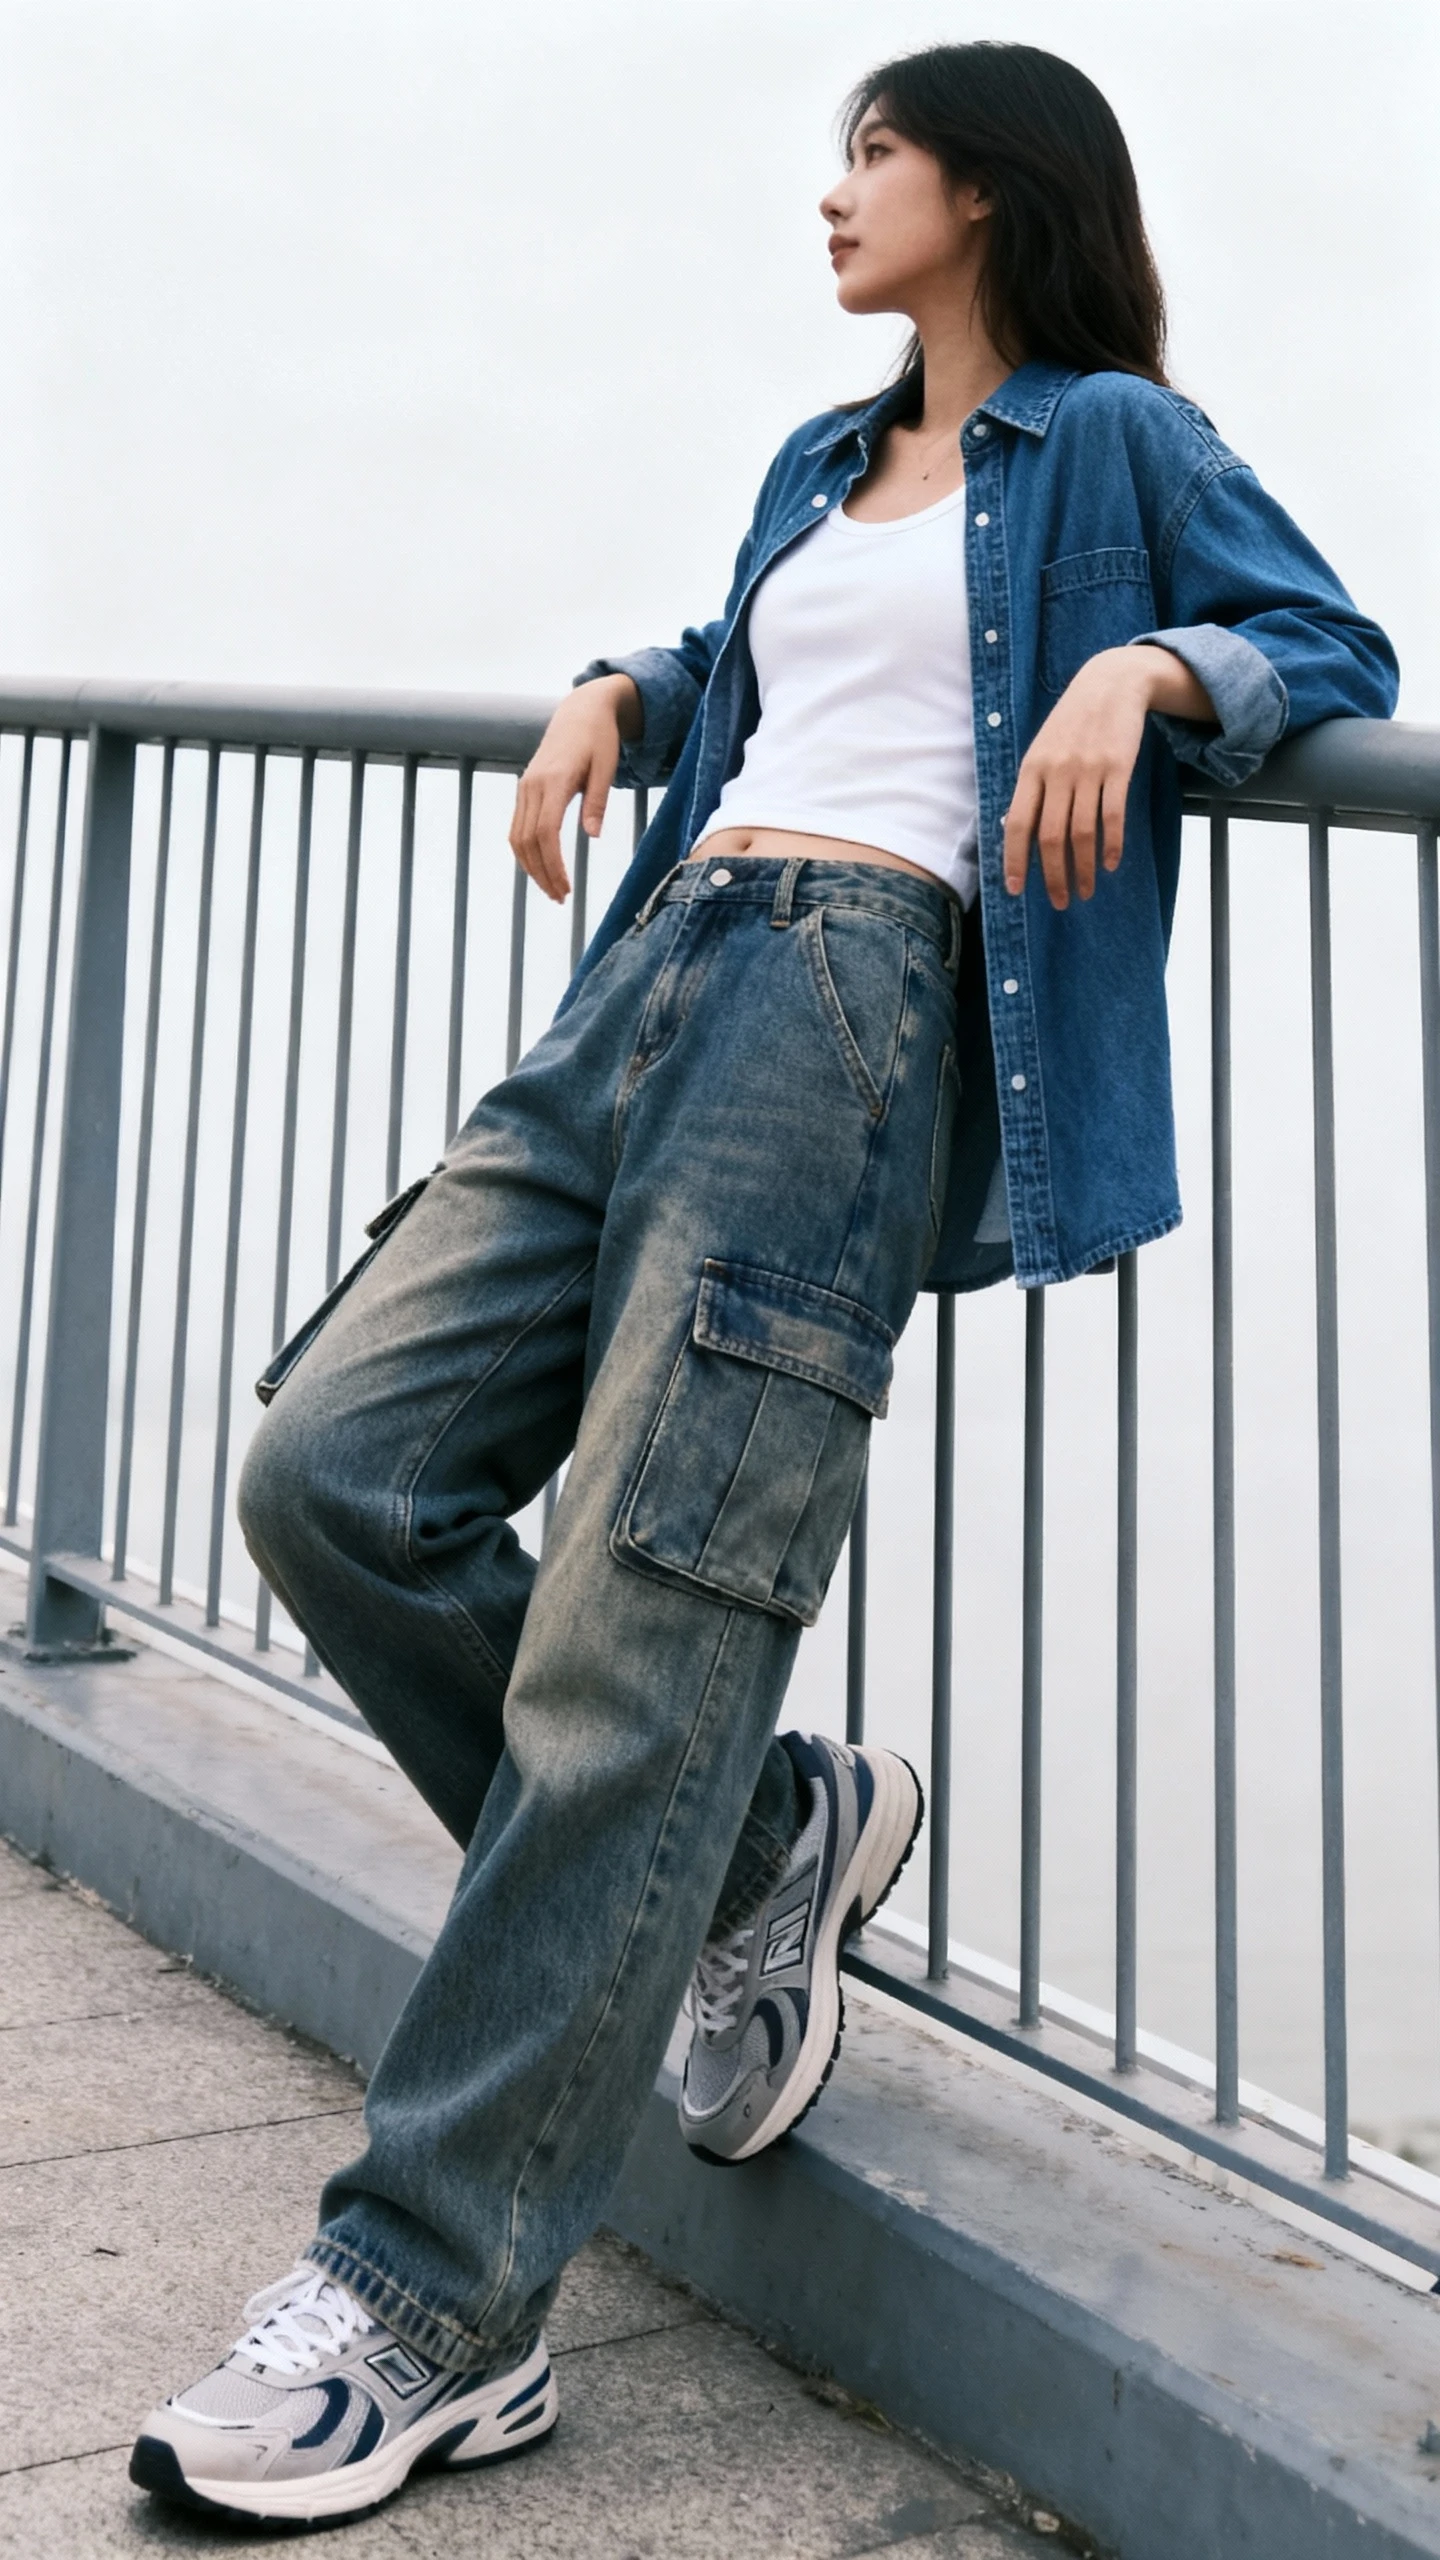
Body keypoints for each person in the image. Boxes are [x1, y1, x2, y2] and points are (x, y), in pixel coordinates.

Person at [130, 39, 1397, 2528]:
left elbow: (1320, 638)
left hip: (852, 1020)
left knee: (634, 1647)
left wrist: (1151, 676)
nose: (835, 197)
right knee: (328, 1470)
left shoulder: (1122, 439)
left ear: (998, 191)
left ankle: (430, 2299)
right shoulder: (823, 465)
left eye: (879, 155)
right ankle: (764, 1839)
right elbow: (769, 662)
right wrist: (637, 682)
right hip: (655, 983)